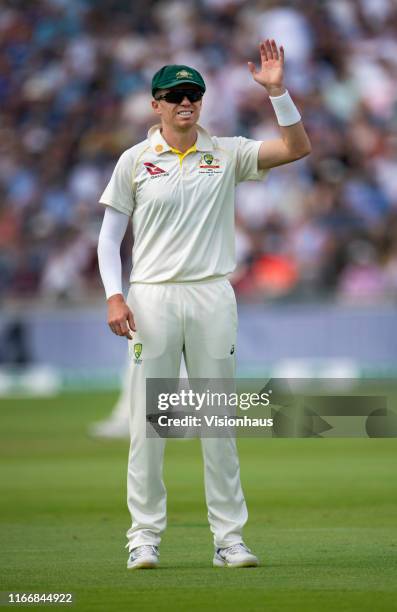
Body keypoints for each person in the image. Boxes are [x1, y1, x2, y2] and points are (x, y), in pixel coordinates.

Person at [97, 39, 311, 569]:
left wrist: (277, 92)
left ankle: (228, 540)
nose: (184, 102)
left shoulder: (228, 152)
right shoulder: (135, 161)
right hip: (153, 296)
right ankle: (143, 537)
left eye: (192, 94)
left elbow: (296, 148)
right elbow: (108, 238)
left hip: (213, 292)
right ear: (156, 104)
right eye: (174, 95)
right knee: (152, 424)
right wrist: (115, 295)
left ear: (202, 101)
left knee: (218, 421)